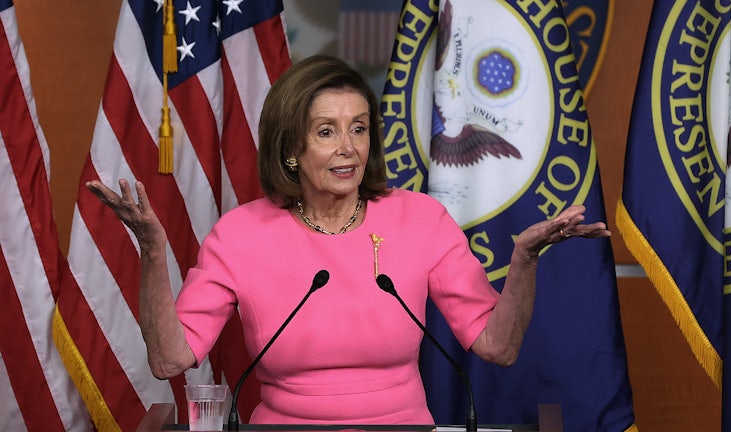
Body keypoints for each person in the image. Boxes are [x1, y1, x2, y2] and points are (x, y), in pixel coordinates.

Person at [86, 54, 610, 425]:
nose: (348, 148)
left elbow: (498, 346)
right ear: (291, 146)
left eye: (358, 128)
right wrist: (153, 254)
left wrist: (524, 260)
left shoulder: (420, 220)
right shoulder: (240, 235)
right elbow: (170, 360)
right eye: (326, 131)